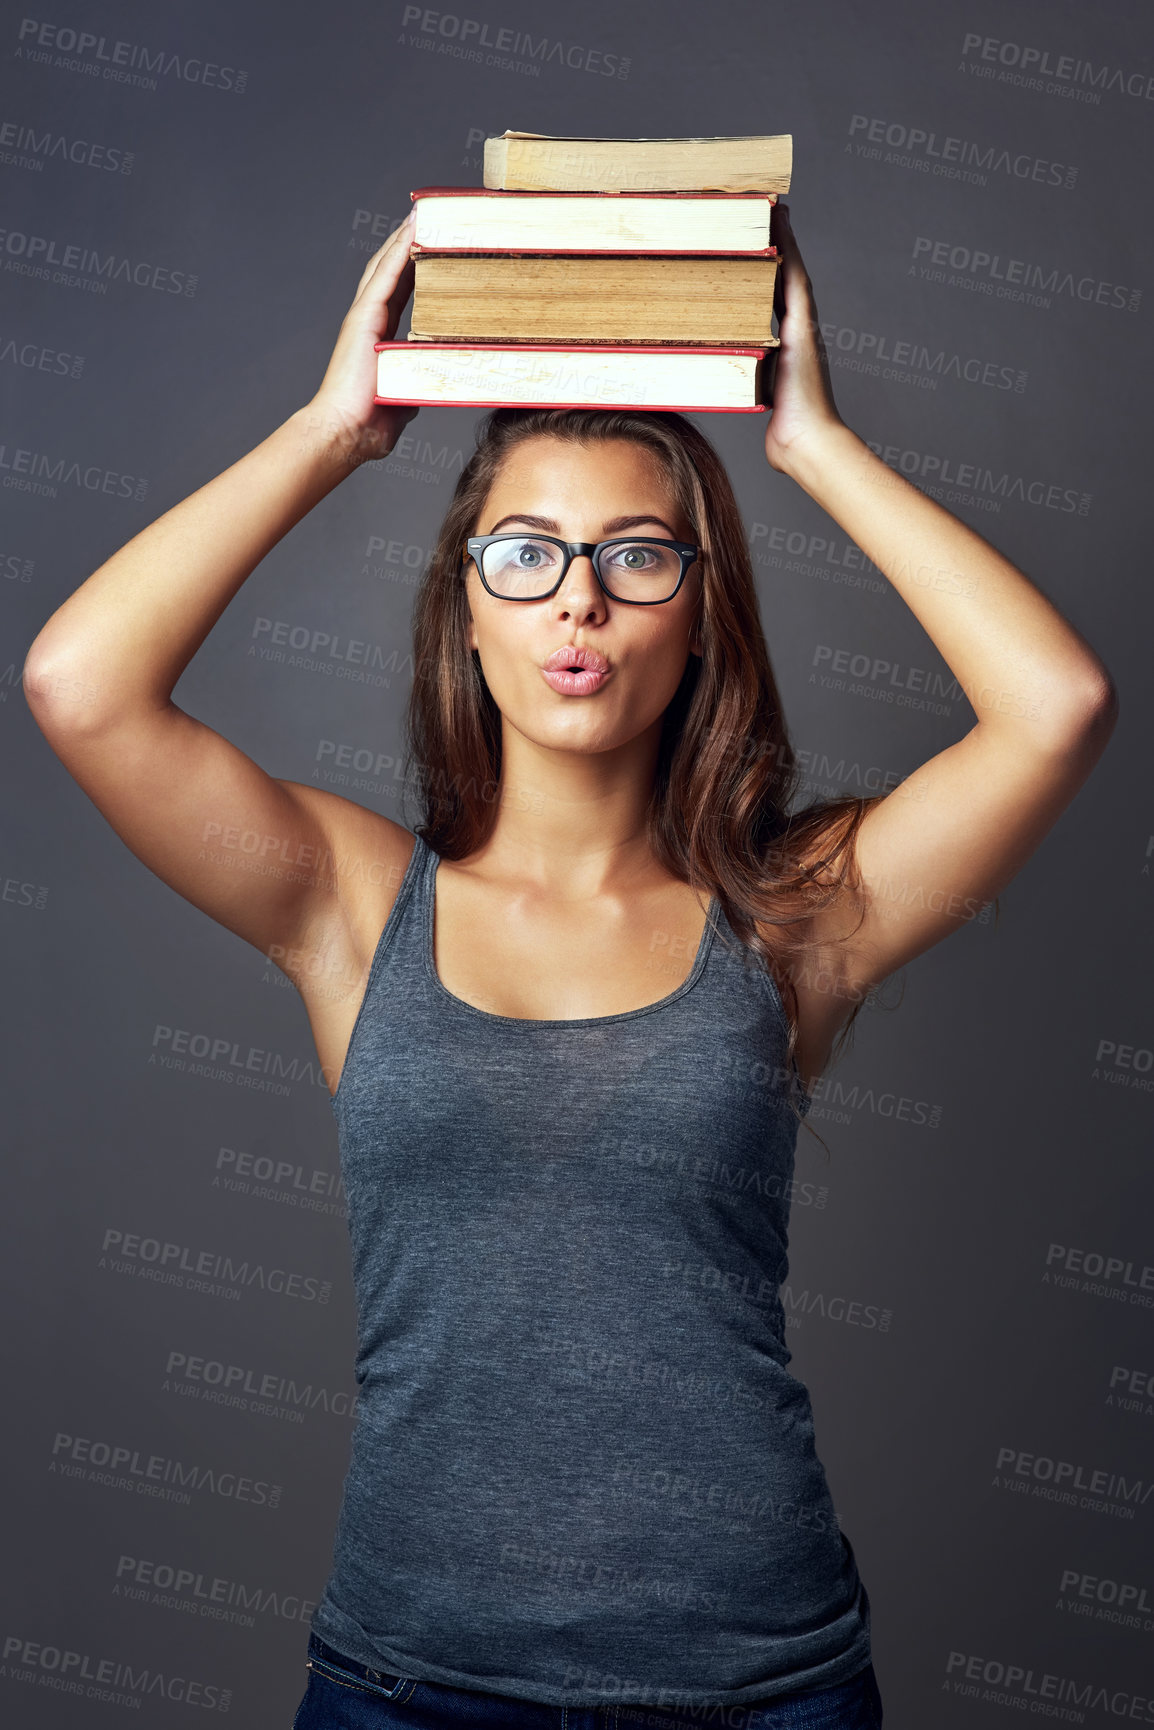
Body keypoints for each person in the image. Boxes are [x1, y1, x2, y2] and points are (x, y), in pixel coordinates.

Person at [23, 200, 1116, 1730]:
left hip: (757, 1686)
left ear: (702, 616)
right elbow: (80, 686)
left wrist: (806, 441)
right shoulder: (353, 901)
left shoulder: (790, 911)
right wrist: (339, 428)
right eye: (525, 553)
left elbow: (1055, 706)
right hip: (408, 1684)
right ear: (467, 611)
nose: (579, 600)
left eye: (636, 555)